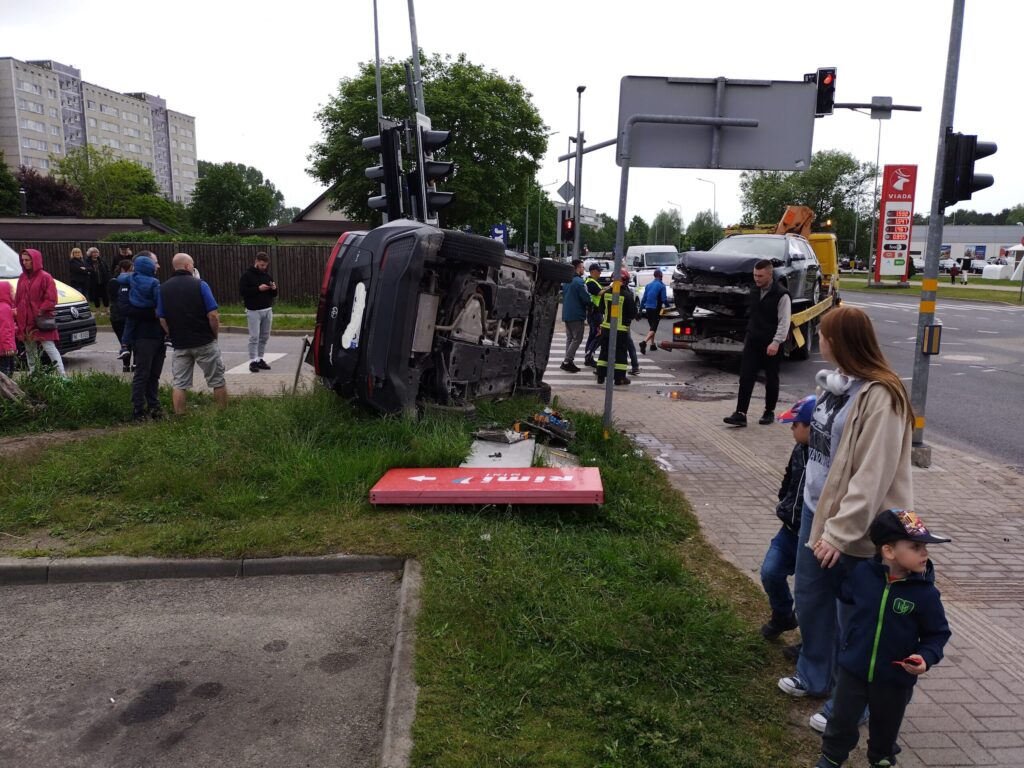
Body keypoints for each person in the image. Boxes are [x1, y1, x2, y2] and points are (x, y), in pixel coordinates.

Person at [777, 305, 915, 735]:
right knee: (813, 603)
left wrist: (839, 534)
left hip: (858, 530)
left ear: (839, 342)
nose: (818, 340)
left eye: (823, 334)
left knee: (855, 621)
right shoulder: (835, 386)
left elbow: (871, 476)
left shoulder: (882, 397)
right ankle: (815, 675)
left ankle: (852, 704)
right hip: (818, 517)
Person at [815, 509, 951, 768]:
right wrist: (831, 565)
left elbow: (938, 633)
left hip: (895, 679)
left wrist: (925, 657)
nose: (925, 553)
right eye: (916, 546)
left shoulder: (925, 595)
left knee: (885, 730)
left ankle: (881, 759)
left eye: (925, 547)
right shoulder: (864, 574)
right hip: (852, 670)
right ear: (888, 551)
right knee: (840, 721)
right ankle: (830, 759)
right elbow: (845, 593)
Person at [759, 394, 815, 641]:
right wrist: (784, 499)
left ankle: (810, 646)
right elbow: (789, 476)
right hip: (790, 530)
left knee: (811, 593)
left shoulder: (830, 457)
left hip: (813, 537)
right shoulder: (799, 448)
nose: (792, 430)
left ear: (812, 427)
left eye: (795, 425)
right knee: (770, 572)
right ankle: (783, 616)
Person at [157, 252, 227, 414]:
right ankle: (223, 414)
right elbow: (213, 314)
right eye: (192, 265)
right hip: (204, 341)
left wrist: (172, 335)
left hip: (180, 343)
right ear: (188, 266)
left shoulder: (163, 288)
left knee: (180, 383)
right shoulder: (200, 285)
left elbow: (162, 319)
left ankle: (179, 416)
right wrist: (214, 335)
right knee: (217, 381)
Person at [724, 260, 791, 427]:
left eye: (760, 276)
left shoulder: (782, 294)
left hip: (772, 343)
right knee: (746, 376)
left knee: (771, 378)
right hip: (753, 340)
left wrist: (776, 342)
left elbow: (784, 322)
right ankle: (740, 413)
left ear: (770, 274)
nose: (757, 279)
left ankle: (769, 411)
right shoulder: (753, 290)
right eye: (755, 275)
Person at [14, 248, 66, 378]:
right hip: (25, 320)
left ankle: (62, 376)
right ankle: (35, 375)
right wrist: (16, 310)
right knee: (30, 350)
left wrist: (40, 311)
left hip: (40, 319)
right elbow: (18, 298)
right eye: (23, 260)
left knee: (49, 346)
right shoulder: (22, 277)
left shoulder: (45, 277)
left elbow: (51, 298)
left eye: (27, 260)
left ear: (35, 260)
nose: (24, 262)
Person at [127, 252, 166, 420]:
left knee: (152, 374)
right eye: (155, 263)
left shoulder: (140, 282)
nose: (158, 266)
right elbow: (128, 310)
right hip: (145, 336)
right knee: (144, 373)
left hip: (154, 335)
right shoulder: (140, 284)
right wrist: (155, 313)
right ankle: (139, 409)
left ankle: (152, 406)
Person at [116, 254, 161, 361]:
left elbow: (121, 277)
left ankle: (124, 347)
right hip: (149, 307)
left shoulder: (132, 278)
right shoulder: (154, 282)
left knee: (129, 327)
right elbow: (157, 297)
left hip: (134, 304)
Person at [595, 269, 637, 386]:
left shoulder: (606, 294)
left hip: (606, 329)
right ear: (626, 281)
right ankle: (619, 379)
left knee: (604, 352)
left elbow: (601, 309)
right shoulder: (628, 296)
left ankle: (600, 376)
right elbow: (633, 313)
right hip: (621, 330)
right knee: (620, 354)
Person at [239, 251, 278, 372]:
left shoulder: (267, 276)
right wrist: (258, 289)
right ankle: (252, 361)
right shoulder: (247, 275)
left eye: (265, 265)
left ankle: (260, 359)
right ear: (256, 261)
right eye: (261, 265)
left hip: (267, 309)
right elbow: (243, 292)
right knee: (254, 337)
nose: (263, 267)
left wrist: (274, 288)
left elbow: (274, 294)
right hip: (253, 311)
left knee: (264, 337)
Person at [559, 259, 590, 373]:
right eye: (582, 267)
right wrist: (591, 304)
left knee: (570, 338)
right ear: (577, 268)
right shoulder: (579, 282)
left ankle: (568, 361)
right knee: (577, 338)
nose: (583, 269)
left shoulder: (567, 281)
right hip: (576, 314)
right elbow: (586, 298)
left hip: (567, 313)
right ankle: (566, 362)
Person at [107, 258, 134, 373]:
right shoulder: (124, 282)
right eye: (131, 269)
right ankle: (130, 365)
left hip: (117, 315)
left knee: (125, 341)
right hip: (122, 314)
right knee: (129, 340)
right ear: (124, 269)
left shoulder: (114, 281)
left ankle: (126, 366)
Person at [638, 269, 668, 355]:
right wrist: (668, 306)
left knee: (652, 327)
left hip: (648, 309)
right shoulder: (662, 286)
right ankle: (644, 342)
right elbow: (664, 299)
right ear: (661, 276)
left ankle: (652, 345)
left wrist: (640, 309)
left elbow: (644, 299)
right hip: (656, 309)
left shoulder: (648, 285)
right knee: (654, 328)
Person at [582, 262, 603, 368]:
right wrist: (611, 287)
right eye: (599, 271)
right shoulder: (591, 282)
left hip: (594, 312)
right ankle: (589, 355)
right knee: (599, 334)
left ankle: (588, 357)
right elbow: (599, 293)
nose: (600, 273)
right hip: (595, 312)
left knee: (593, 334)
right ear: (593, 271)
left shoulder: (593, 281)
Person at [0, 281, 16, 377]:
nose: (14, 294)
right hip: (5, 349)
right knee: (7, 373)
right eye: (12, 292)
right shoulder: (5, 308)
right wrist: (8, 347)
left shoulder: (4, 307)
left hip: (4, 347)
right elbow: (4, 330)